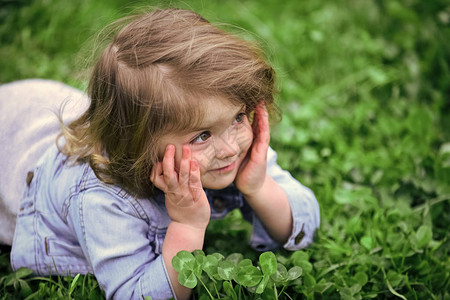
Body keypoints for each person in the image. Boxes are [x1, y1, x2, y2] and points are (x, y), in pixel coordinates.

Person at [4, 8, 320, 300]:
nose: (229, 149)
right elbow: (138, 294)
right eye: (202, 136)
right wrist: (188, 226)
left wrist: (259, 186)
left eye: (238, 117)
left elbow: (306, 221)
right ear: (138, 146)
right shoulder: (101, 198)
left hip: (39, 105)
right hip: (12, 145)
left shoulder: (230, 144)